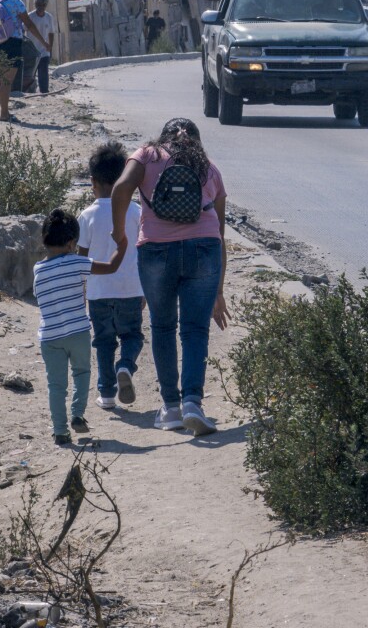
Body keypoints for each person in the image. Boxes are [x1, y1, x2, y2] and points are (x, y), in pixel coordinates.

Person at [109, 118, 228, 436]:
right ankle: (193, 404)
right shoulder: (210, 168)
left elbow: (121, 188)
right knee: (194, 330)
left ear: (163, 137)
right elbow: (219, 231)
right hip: (204, 250)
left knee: (162, 327)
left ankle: (170, 408)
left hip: (157, 252)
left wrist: (120, 234)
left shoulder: (147, 154)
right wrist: (218, 290)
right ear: (197, 143)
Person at [33, 209, 128, 444]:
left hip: (50, 336)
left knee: (56, 385)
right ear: (72, 242)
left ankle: (60, 431)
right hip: (78, 333)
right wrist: (122, 244)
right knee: (82, 373)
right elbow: (111, 266)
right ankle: (77, 415)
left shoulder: (38, 270)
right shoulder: (77, 262)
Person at [78, 142, 146, 410]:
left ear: (92, 182)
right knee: (132, 337)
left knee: (103, 341)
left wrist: (83, 291)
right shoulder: (137, 212)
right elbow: (143, 252)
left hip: (98, 292)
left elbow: (81, 259)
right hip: (131, 288)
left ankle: (106, 394)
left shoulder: (86, 216)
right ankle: (126, 366)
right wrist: (145, 290)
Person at [28, 0, 57, 94]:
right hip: (31, 50)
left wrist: (50, 46)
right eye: (38, 5)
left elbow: (51, 32)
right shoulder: (30, 16)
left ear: (46, 5)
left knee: (43, 71)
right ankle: (29, 90)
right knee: (30, 73)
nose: (40, 7)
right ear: (35, 4)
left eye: (43, 5)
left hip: (44, 50)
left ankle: (44, 91)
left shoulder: (49, 17)